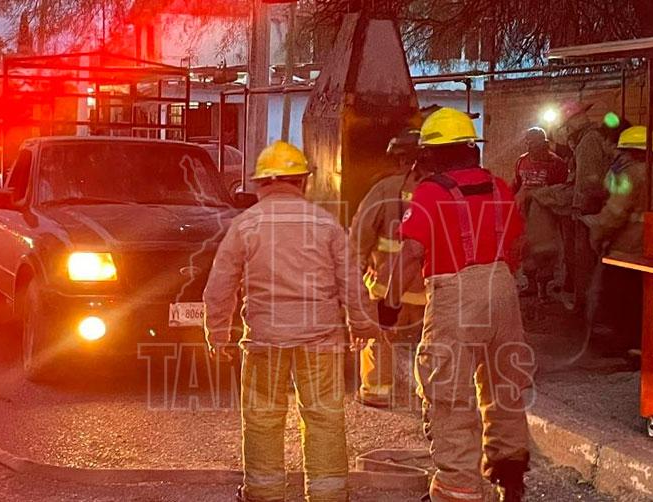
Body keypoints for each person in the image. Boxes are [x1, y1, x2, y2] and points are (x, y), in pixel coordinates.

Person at [203, 141, 378, 502]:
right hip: (321, 339)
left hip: (265, 339)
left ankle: (263, 493)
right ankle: (328, 495)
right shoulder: (325, 224)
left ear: (261, 184)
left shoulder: (246, 224)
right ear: (302, 181)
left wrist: (217, 333)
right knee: (324, 418)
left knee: (262, 418)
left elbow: (220, 284)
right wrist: (362, 325)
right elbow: (350, 281)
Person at [382, 107, 533, 502]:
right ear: (470, 148)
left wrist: (389, 306)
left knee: (449, 394)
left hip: (456, 294)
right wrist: (501, 276)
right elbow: (519, 242)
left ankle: (457, 489)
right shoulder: (499, 187)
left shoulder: (430, 193)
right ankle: (510, 477)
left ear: (433, 154)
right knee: (504, 386)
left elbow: (412, 253)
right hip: (503, 288)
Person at [581, 126, 653, 358]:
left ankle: (625, 347)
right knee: (649, 305)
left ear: (634, 152)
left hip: (626, 254)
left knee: (621, 304)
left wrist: (596, 235)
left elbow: (614, 214)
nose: (621, 157)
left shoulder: (631, 176)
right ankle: (646, 347)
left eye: (624, 152)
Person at [349, 128, 426, 408]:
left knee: (379, 335)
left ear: (401, 159)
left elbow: (361, 231)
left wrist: (357, 267)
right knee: (431, 340)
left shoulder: (384, 188)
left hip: (386, 282)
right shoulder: (441, 189)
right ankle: (430, 393)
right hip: (428, 285)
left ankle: (376, 391)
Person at [557, 101, 612, 313]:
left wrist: (580, 209)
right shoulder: (591, 138)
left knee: (584, 259)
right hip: (594, 208)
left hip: (588, 211)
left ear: (573, 122)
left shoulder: (588, 142)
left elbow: (588, 182)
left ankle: (585, 305)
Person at [512, 127, 568, 300]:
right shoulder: (521, 161)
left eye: (534, 143)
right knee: (526, 250)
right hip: (524, 214)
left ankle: (544, 288)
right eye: (528, 142)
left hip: (545, 215)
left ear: (544, 143)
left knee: (544, 251)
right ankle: (531, 285)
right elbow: (516, 184)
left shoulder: (556, 163)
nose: (530, 146)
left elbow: (561, 190)